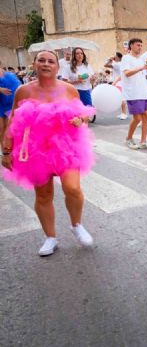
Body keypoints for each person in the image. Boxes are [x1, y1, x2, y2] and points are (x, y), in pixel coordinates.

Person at [2, 50, 95, 256]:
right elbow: (14, 122)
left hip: (66, 146)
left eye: (50, 61)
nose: (46, 64)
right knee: (43, 194)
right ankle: (50, 237)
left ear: (57, 66)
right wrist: (6, 151)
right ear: (34, 64)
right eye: (41, 60)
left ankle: (76, 224)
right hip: (36, 149)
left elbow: (84, 114)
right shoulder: (23, 91)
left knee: (73, 188)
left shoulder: (69, 89)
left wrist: (80, 120)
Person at [121, 38, 147, 150]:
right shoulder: (126, 58)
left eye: (141, 45)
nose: (140, 47)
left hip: (144, 92)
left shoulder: (141, 60)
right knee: (137, 118)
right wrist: (141, 67)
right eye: (137, 45)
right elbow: (127, 73)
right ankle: (129, 138)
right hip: (133, 93)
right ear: (131, 46)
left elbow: (143, 76)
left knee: (146, 117)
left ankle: (143, 141)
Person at [1, 62, 21, 150]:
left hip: (10, 103)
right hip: (0, 104)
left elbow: (19, 87)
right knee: (1, 128)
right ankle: (4, 151)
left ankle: (8, 150)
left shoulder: (9, 75)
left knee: (9, 128)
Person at [104, 52, 127, 119]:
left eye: (115, 56)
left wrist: (110, 59)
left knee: (122, 98)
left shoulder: (117, 64)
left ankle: (124, 114)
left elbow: (105, 65)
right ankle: (123, 113)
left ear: (118, 57)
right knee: (121, 98)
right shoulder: (118, 64)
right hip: (119, 83)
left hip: (119, 83)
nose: (114, 56)